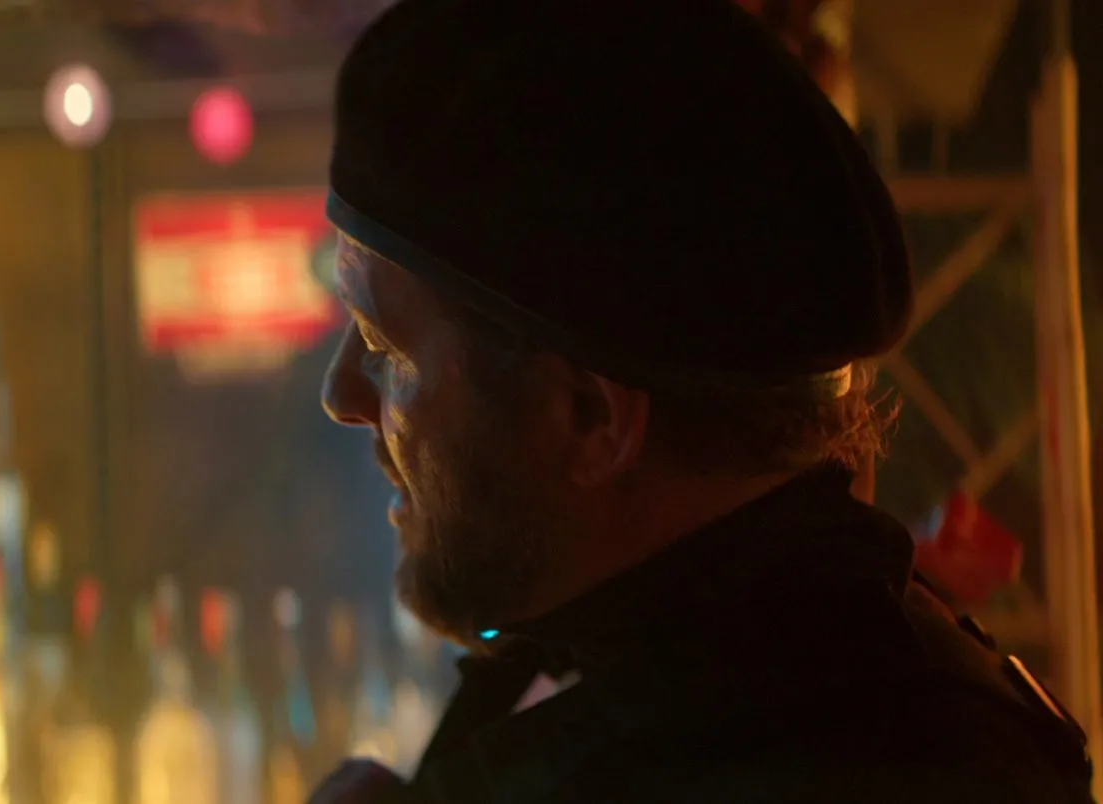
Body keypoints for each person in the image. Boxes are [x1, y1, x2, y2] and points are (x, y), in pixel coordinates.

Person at [312, 0, 1095, 801]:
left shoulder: (874, 766)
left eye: (385, 346)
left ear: (590, 417)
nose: (341, 394)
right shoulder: (726, 685)